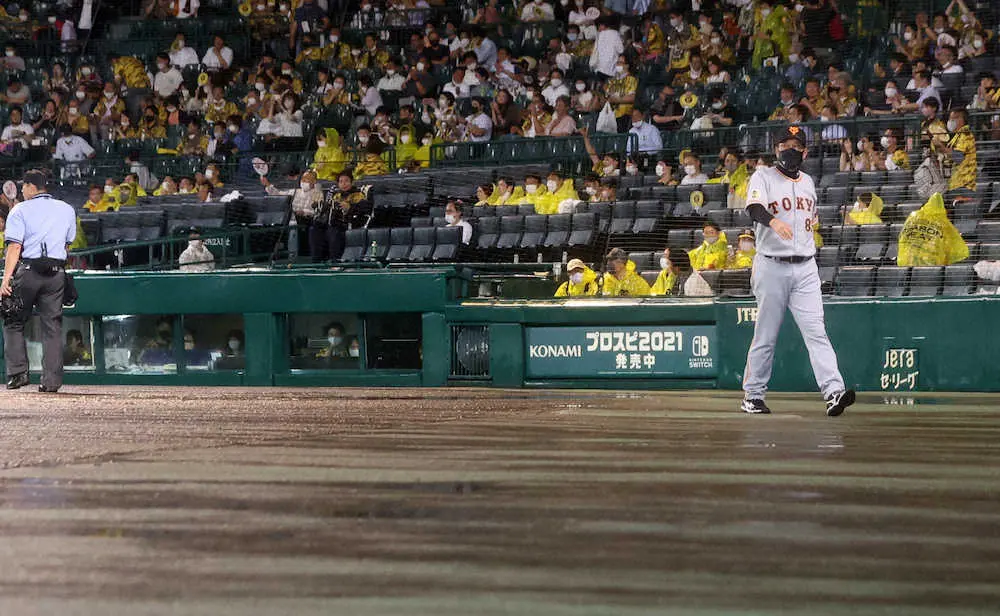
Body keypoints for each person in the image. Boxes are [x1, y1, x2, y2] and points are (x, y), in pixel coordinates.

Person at [740, 127, 855, 417]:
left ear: (804, 151)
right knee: (766, 334)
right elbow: (753, 208)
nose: (790, 148)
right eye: (785, 144)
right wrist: (773, 222)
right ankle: (753, 395)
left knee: (817, 332)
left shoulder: (808, 182)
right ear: (776, 148)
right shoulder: (763, 176)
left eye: (796, 144)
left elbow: (811, 220)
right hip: (771, 265)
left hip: (805, 267)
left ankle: (833, 392)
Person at [1, 170, 78, 393]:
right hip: (56, 274)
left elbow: (14, 247)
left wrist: (6, 279)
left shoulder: (20, 209)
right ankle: (52, 382)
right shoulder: (66, 208)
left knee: (13, 320)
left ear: (31, 186)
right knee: (52, 327)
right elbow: (67, 246)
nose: (22, 191)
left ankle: (18, 374)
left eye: (23, 187)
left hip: (29, 271)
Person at [896, 192, 969, 267]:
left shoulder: (913, 216)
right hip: (930, 267)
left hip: (904, 264)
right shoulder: (942, 222)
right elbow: (956, 249)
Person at [313, 171, 372, 262]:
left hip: (349, 223)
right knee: (315, 228)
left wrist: (350, 207)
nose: (343, 184)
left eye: (346, 181)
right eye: (341, 182)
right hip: (333, 222)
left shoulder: (358, 195)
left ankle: (335, 260)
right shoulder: (336, 196)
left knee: (333, 230)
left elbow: (364, 209)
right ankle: (317, 261)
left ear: (352, 183)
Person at [942, 108, 977, 191]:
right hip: (956, 183)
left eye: (952, 119)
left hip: (964, 184)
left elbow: (959, 157)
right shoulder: (957, 136)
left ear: (961, 120)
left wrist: (941, 147)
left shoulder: (965, 135)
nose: (950, 122)